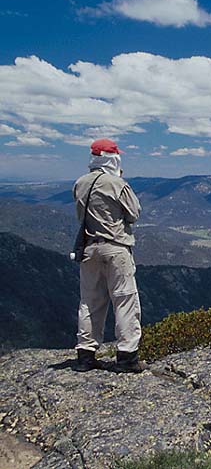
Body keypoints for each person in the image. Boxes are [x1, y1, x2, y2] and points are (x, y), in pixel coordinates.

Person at [72, 138, 143, 373]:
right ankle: (127, 357)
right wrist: (119, 180)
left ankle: (85, 355)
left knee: (90, 301)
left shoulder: (80, 183)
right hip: (115, 247)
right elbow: (134, 213)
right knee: (124, 299)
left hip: (89, 248)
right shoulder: (116, 183)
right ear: (113, 158)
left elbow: (81, 214)